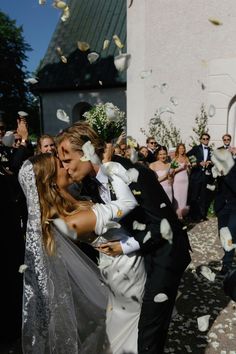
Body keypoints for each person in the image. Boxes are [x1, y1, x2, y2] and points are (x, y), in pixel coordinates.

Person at [57, 122, 192, 354]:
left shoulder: (131, 174)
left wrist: (125, 246)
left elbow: (164, 226)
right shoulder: (90, 182)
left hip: (165, 254)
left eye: (67, 161)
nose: (65, 168)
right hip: (142, 254)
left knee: (149, 329)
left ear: (87, 153)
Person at [18, 152, 145, 354]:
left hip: (122, 263)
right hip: (124, 269)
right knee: (129, 336)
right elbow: (127, 203)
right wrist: (109, 166)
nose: (68, 167)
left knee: (127, 330)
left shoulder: (68, 203)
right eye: (61, 165)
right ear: (50, 181)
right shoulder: (71, 222)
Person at [211, 148, 236, 276]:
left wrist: (225, 174)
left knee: (230, 236)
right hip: (222, 207)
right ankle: (228, 255)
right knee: (223, 234)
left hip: (234, 207)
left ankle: (227, 265)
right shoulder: (218, 167)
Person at [186, 133, 214, 222]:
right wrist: (198, 163)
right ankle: (193, 216)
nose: (205, 140)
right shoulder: (196, 148)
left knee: (203, 196)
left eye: (207, 139)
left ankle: (202, 215)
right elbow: (187, 156)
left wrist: (210, 162)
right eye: (204, 139)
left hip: (205, 176)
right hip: (196, 176)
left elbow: (213, 161)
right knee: (194, 196)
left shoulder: (210, 150)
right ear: (201, 140)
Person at [172, 144, 190, 219]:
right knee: (177, 196)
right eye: (180, 148)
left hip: (185, 180)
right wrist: (181, 168)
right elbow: (172, 171)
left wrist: (189, 167)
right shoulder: (175, 159)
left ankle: (182, 214)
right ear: (177, 150)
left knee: (184, 197)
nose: (182, 150)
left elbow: (189, 172)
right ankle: (177, 214)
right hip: (177, 180)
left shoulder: (186, 158)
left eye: (183, 148)